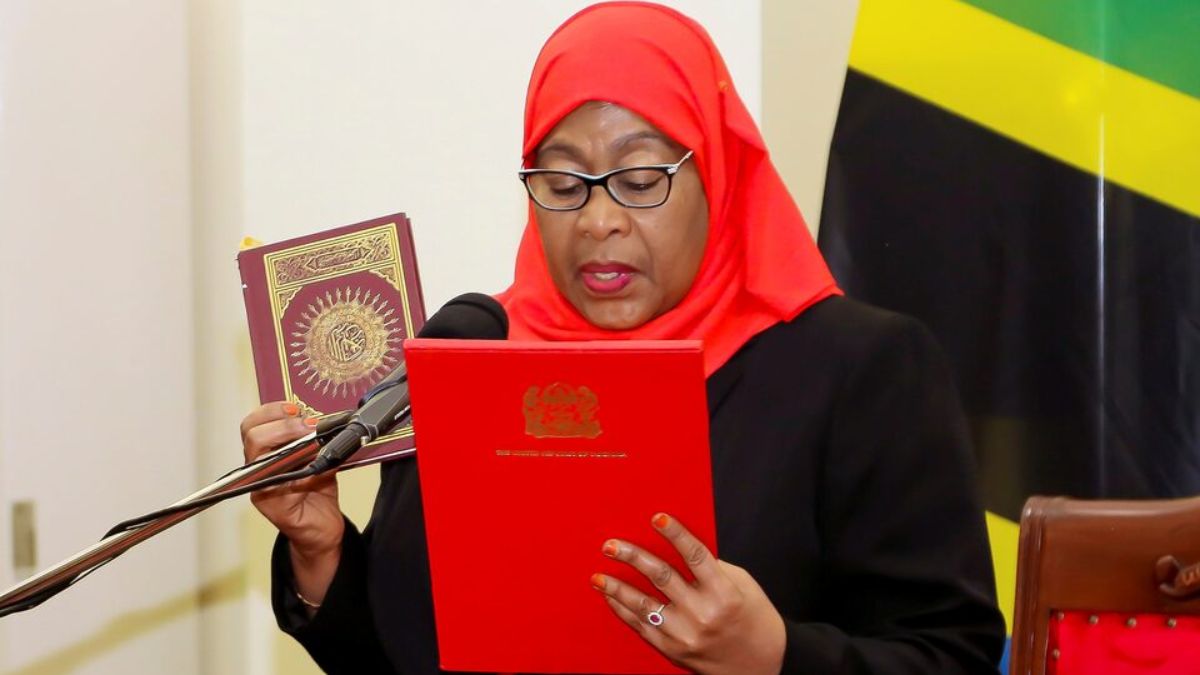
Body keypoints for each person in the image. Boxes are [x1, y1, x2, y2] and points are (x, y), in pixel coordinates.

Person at [241, 3, 1006, 673]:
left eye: (640, 181)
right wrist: (322, 547)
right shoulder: (472, 355)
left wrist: (775, 656)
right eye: (563, 183)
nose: (598, 221)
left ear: (717, 173)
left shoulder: (859, 370)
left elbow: (952, 651)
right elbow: (402, 654)